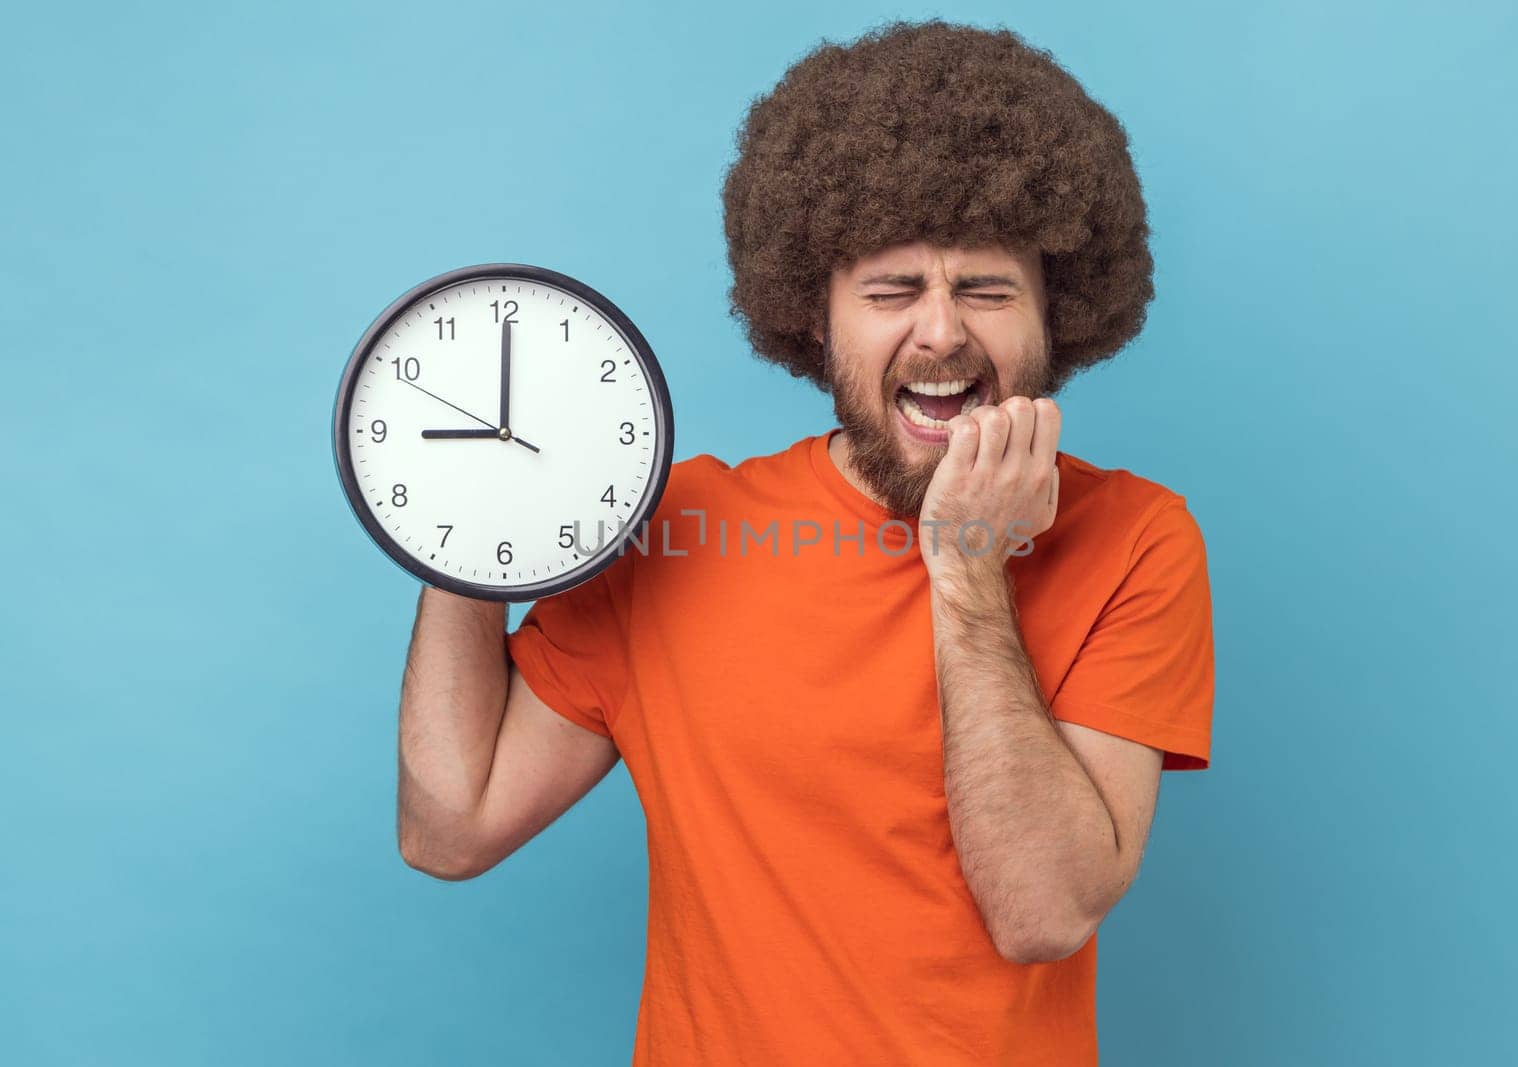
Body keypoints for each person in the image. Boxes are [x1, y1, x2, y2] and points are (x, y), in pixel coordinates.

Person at [396, 19, 1214, 1066]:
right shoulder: (678, 535)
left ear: (1057, 316)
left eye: (985, 288)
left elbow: (1043, 910)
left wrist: (964, 566)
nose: (939, 332)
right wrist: (463, 529)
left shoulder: (1135, 540)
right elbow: (450, 826)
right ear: (812, 317)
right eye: (889, 290)